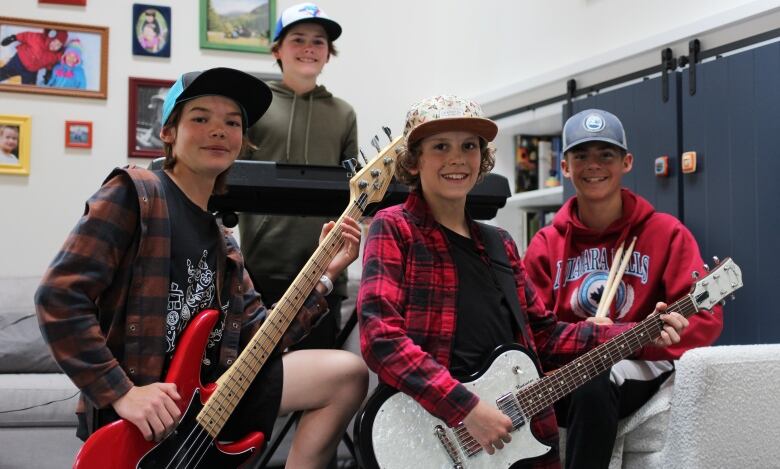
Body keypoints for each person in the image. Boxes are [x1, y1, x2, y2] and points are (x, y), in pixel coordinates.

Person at [35, 67, 368, 468]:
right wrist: (121, 392)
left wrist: (326, 274)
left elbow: (261, 338)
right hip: (141, 417)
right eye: (200, 118)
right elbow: (59, 296)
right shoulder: (135, 195)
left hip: (207, 407)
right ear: (169, 132)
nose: (218, 130)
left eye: (232, 123)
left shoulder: (224, 243)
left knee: (346, 375)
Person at [357, 95, 689, 468]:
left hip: (517, 438)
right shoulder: (394, 227)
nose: (456, 158)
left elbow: (543, 337)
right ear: (414, 161)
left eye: (469, 146)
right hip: (429, 433)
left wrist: (638, 331)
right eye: (440, 147)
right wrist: (465, 408)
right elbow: (381, 338)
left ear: (482, 159)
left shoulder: (500, 244)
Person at [523, 108, 723, 469]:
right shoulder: (546, 243)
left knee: (596, 380)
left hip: (635, 364)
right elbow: (526, 328)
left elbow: (705, 319)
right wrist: (584, 337)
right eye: (581, 155)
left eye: (606, 155)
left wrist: (649, 338)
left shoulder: (665, 232)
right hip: (568, 366)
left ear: (627, 162)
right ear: (565, 166)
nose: (593, 165)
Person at [239, 2, 357, 351]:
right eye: (298, 39)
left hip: (322, 269)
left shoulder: (343, 114)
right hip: (260, 269)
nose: (309, 48)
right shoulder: (254, 106)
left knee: (322, 374)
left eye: (318, 42)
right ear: (278, 50)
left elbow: (355, 190)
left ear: (328, 54)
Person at [0, 29, 67, 85]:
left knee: (29, 88)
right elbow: (25, 36)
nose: (55, 46)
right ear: (50, 37)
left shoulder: (55, 56)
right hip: (18, 61)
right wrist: (14, 38)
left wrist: (48, 73)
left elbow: (50, 64)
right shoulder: (37, 38)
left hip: (31, 72)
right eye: (54, 41)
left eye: (58, 45)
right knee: (4, 72)